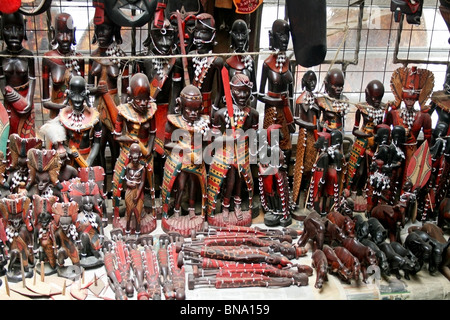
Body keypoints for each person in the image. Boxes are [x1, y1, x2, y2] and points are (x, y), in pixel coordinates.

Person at [207, 73, 259, 226]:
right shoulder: (220, 114)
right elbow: (214, 138)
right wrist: (230, 138)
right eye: (238, 91)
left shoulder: (253, 114)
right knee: (229, 179)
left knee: (241, 179)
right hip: (226, 152)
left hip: (242, 151)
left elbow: (253, 136)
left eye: (246, 91)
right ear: (231, 92)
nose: (243, 95)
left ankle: (237, 205)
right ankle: (225, 206)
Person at [161, 85, 209, 236]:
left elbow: (207, 142)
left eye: (197, 109)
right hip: (180, 160)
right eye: (189, 109)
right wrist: (182, 146)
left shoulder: (203, 123)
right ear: (180, 105)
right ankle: (176, 209)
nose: (194, 114)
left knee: (194, 186)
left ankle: (192, 210)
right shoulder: (173, 122)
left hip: (196, 161)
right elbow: (166, 144)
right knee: (181, 186)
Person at [112, 73, 157, 231]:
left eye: (146, 99)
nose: (144, 103)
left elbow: (152, 133)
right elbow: (117, 136)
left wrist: (149, 150)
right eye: (139, 99)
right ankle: (120, 214)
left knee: (149, 181)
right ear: (130, 95)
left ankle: (148, 212)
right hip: (128, 151)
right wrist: (131, 141)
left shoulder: (151, 110)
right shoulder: (123, 111)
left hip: (145, 150)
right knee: (119, 181)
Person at [88, 14, 129, 173]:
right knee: (98, 145)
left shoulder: (120, 57)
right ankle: (102, 184)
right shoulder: (94, 56)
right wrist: (96, 91)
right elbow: (88, 87)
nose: (101, 34)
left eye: (105, 29)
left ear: (114, 31)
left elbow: (125, 90)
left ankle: (117, 181)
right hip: (98, 106)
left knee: (116, 145)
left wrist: (123, 112)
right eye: (98, 29)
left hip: (114, 105)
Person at [385, 66, 434, 187]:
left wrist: (427, 155)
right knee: (393, 175)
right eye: (407, 99)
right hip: (396, 147)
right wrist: (386, 111)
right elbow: (385, 128)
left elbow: (428, 139)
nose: (409, 102)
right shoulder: (394, 114)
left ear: (417, 98)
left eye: (412, 100)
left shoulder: (423, 117)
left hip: (412, 150)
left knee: (409, 177)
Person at [258, 18, 295, 177]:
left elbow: (291, 96)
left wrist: (291, 117)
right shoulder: (267, 64)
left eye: (287, 35)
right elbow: (259, 94)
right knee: (270, 145)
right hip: (271, 112)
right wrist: (275, 101)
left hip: (285, 112)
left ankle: (283, 178)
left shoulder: (289, 63)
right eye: (280, 35)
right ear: (273, 36)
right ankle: (269, 180)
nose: (285, 39)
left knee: (286, 146)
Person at [44, 76, 102, 170]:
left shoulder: (94, 118)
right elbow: (59, 144)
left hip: (87, 157)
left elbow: (97, 143)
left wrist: (89, 161)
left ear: (85, 96)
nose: (78, 102)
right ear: (69, 95)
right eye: (74, 99)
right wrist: (69, 151)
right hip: (69, 160)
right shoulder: (62, 117)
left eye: (81, 98)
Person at [345, 80, 387, 208]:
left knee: (372, 171)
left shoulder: (384, 109)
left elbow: (385, 126)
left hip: (376, 144)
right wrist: (366, 135)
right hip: (363, 143)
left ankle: (365, 191)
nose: (377, 101)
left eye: (379, 98)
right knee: (359, 170)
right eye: (374, 98)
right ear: (367, 96)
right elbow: (355, 130)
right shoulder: (362, 109)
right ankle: (353, 191)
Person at [0, 12, 36, 139]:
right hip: (9, 104)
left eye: (19, 29)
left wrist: (29, 101)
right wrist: (9, 95)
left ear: (24, 29)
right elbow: (2, 81)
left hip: (26, 101)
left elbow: (32, 79)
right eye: (8, 29)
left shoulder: (28, 55)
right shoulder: (1, 57)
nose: (14, 34)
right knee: (10, 140)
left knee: (27, 140)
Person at [42, 13, 85, 119]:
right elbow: (45, 101)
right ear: (54, 33)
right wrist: (61, 106)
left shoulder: (79, 59)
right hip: (56, 117)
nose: (65, 38)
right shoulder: (48, 58)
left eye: (69, 33)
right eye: (61, 33)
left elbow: (84, 93)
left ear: (74, 32)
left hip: (76, 116)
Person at [187, 13, 224, 120]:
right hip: (189, 102)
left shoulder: (217, 61)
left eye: (203, 32)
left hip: (206, 103)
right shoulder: (190, 56)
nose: (198, 36)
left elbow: (219, 91)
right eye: (196, 31)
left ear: (213, 34)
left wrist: (215, 106)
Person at [292, 70, 320, 204]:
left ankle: (309, 197)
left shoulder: (316, 100)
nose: (313, 84)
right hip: (304, 136)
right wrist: (310, 126)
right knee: (302, 166)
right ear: (304, 82)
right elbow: (296, 119)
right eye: (310, 81)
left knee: (312, 165)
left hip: (314, 137)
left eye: (314, 81)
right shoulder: (300, 100)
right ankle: (297, 197)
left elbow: (318, 119)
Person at [224, 19, 258, 100]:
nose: (240, 38)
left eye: (243, 34)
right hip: (232, 106)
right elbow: (224, 92)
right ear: (232, 35)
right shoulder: (227, 63)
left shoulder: (250, 61)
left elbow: (254, 92)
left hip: (247, 106)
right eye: (236, 34)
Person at [316, 68, 349, 133]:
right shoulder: (321, 102)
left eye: (341, 86)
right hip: (326, 132)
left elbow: (342, 120)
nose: (339, 89)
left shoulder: (344, 101)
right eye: (335, 86)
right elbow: (317, 121)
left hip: (339, 131)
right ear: (327, 85)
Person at [124, 143, 146, 236]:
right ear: (130, 156)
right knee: (129, 212)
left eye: (137, 157)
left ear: (140, 155)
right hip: (129, 191)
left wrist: (138, 195)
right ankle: (128, 231)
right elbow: (126, 179)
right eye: (133, 157)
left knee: (138, 213)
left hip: (138, 191)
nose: (135, 160)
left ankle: (137, 231)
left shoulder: (142, 169)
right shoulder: (128, 167)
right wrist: (128, 183)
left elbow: (142, 182)